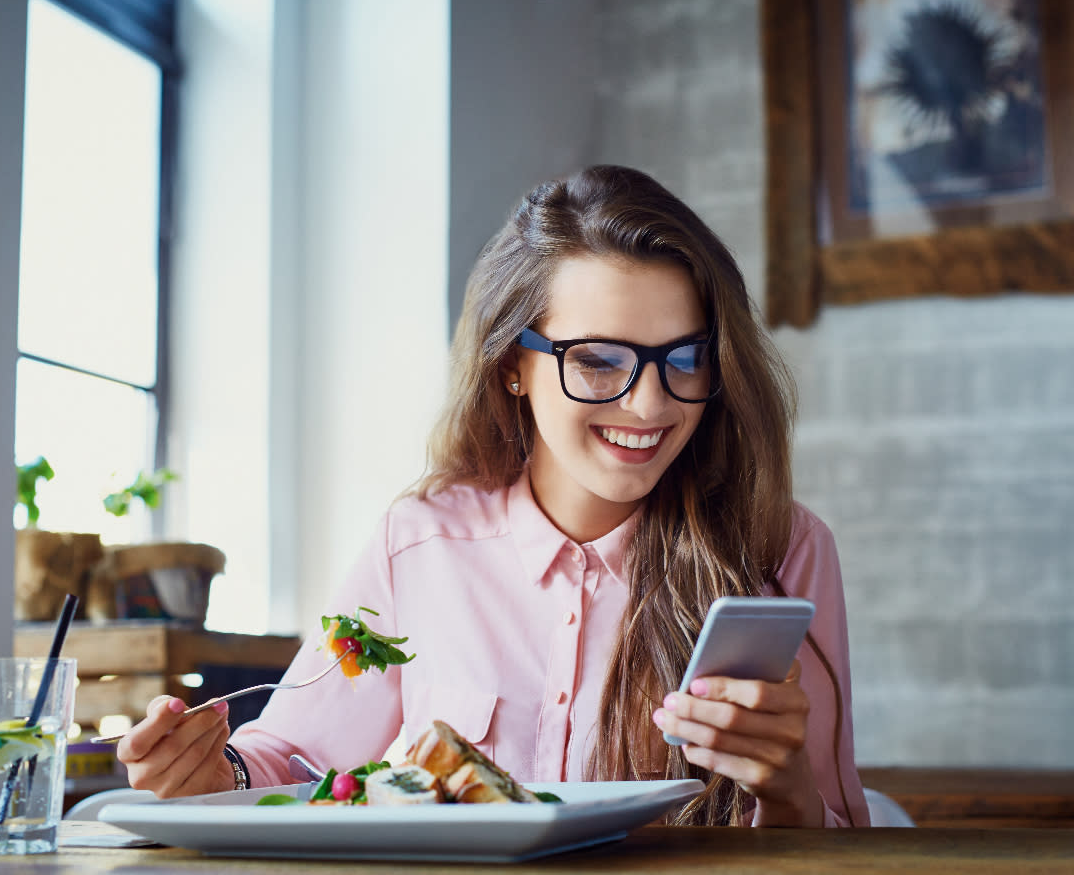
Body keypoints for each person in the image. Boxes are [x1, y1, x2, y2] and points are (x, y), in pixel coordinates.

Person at [117, 164, 870, 827]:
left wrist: (789, 787)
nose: (648, 405)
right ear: (514, 363)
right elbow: (296, 761)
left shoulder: (784, 548)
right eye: (600, 361)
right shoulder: (417, 544)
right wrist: (216, 775)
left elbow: (839, 835)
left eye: (685, 359)